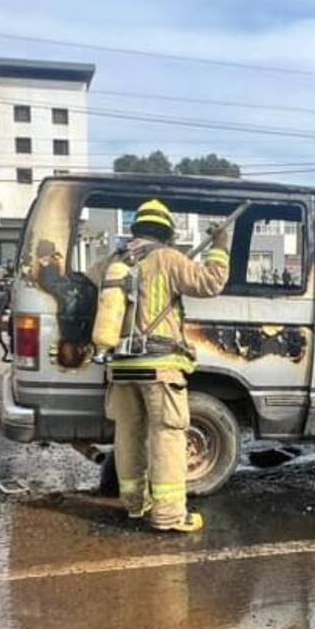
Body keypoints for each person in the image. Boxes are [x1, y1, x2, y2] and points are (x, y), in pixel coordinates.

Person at [95, 199, 230, 533]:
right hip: (159, 365)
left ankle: (134, 505)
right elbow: (210, 283)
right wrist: (221, 247)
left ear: (136, 228)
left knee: (128, 434)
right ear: (167, 231)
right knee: (167, 437)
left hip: (121, 367)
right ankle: (169, 516)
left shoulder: (115, 261)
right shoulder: (168, 258)